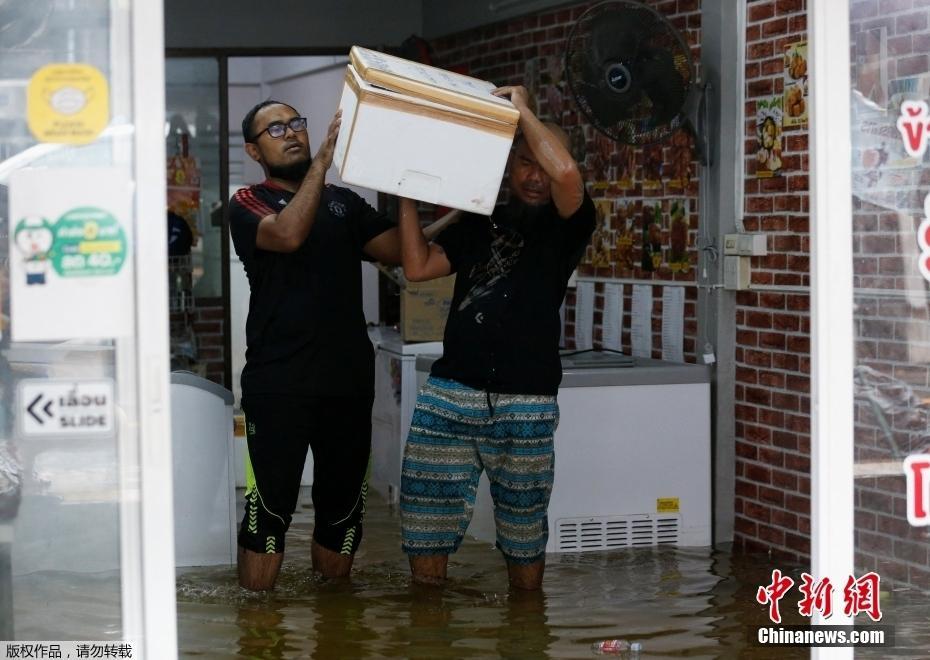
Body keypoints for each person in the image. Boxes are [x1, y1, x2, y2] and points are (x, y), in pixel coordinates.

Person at [396, 85, 595, 590]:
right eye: (525, 163)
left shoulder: (570, 224)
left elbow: (567, 175)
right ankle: (428, 636)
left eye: (542, 165)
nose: (536, 175)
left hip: (525, 400)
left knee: (523, 535)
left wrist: (523, 111)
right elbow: (417, 267)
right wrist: (404, 193)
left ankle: (526, 634)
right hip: (450, 393)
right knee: (423, 526)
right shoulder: (480, 220)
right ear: (509, 167)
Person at [228, 100, 402, 590]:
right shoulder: (248, 202)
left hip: (346, 382)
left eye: (297, 124)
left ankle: (335, 630)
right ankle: (259, 633)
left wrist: (430, 200)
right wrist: (322, 166)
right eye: (275, 128)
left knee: (343, 511)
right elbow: (287, 235)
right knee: (269, 510)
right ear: (253, 149)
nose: (292, 134)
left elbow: (405, 254)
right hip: (278, 381)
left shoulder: (344, 204)